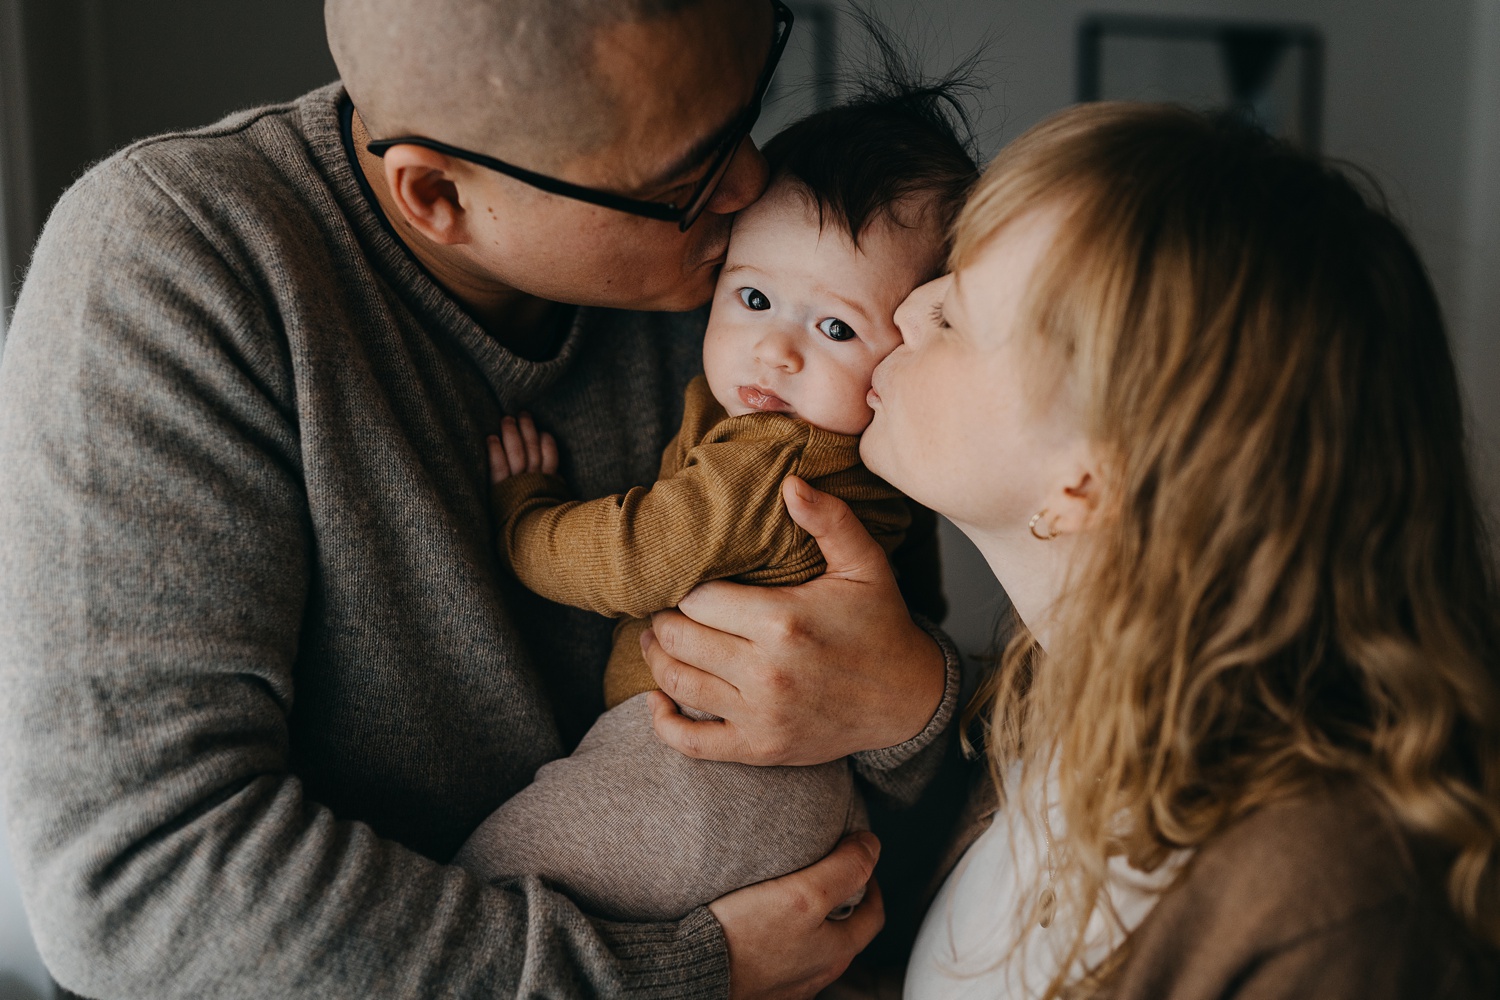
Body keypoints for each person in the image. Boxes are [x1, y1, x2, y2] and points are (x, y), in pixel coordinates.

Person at [0, 0, 961, 996]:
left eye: (750, 97)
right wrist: (673, 974)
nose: (752, 182)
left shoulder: (779, 288)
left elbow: (917, 828)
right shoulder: (178, 267)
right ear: (439, 195)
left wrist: (908, 701)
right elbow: (139, 887)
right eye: (683, 178)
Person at [854, 102, 1500, 997]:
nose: (907, 306)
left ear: (1089, 484)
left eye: (955, 314)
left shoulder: (1336, 906)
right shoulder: (1050, 710)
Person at [453, 87, 977, 923]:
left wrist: (524, 514)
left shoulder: (776, 461)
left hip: (698, 775)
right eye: (754, 298)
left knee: (479, 897)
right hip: (799, 791)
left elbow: (636, 558)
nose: (774, 348)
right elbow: (916, 605)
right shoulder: (873, 462)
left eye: (836, 329)